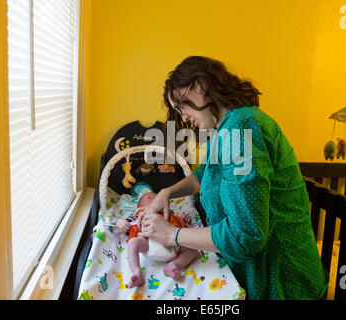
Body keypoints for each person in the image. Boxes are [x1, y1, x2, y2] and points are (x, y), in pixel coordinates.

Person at [136, 56, 329, 299]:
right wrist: (166, 193)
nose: (183, 117)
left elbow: (245, 235)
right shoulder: (225, 128)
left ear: (200, 85)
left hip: (283, 280)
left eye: (181, 107)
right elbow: (204, 174)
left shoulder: (241, 130)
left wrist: (171, 235)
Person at [116, 192, 199, 288]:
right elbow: (123, 224)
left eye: (156, 196)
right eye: (149, 197)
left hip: (174, 243)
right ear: (139, 206)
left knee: (193, 247)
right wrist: (120, 222)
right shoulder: (137, 214)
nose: (154, 198)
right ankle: (137, 272)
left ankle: (174, 265)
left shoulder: (169, 212)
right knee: (133, 243)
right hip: (148, 244)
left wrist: (185, 220)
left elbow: (180, 223)